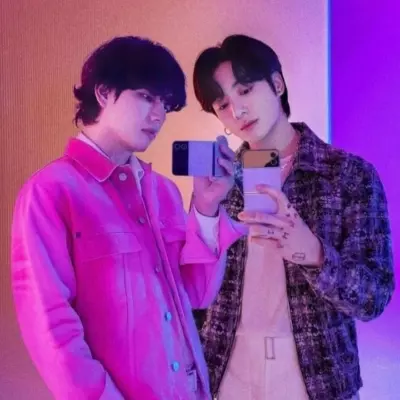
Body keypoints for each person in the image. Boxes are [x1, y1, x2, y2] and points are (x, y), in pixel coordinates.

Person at [10, 36, 246, 400]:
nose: (159, 116)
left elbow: (197, 295)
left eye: (165, 104)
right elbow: (51, 327)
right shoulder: (50, 193)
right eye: (147, 97)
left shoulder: (163, 191)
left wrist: (206, 207)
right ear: (104, 93)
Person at [192, 34, 395, 400]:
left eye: (245, 90)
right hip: (227, 377)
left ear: (277, 84)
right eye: (223, 104)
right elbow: (194, 292)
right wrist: (204, 211)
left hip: (318, 382)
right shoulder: (220, 182)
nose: (237, 111)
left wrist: (314, 253)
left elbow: (373, 298)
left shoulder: (348, 175)